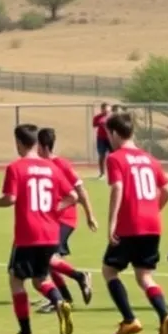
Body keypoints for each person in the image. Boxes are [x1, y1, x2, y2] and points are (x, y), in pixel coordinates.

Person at [0, 124, 78, 334]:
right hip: (50, 232)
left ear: (18, 142)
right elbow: (73, 196)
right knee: (40, 279)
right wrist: (56, 209)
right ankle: (59, 301)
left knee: (16, 280)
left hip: (28, 233)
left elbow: (10, 199)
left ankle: (26, 333)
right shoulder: (52, 168)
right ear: (36, 142)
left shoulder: (16, 167)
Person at [100, 112, 168, 334]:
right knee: (144, 275)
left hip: (129, 224)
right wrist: (154, 210)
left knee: (109, 270)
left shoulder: (115, 158)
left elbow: (117, 189)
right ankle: (165, 315)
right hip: (152, 223)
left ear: (114, 133)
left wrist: (111, 223)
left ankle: (129, 319)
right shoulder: (149, 159)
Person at [35, 127, 96, 313]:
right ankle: (64, 299)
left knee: (49, 259)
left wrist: (89, 215)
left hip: (65, 220)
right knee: (50, 261)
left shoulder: (61, 164)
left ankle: (80, 277)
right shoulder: (39, 166)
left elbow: (80, 191)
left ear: (43, 146)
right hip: (50, 222)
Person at [93, 103, 111, 178]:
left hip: (111, 138)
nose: (105, 110)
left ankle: (112, 172)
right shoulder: (97, 117)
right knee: (101, 155)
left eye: (107, 109)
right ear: (101, 109)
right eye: (103, 109)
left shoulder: (112, 117)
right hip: (101, 138)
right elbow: (94, 125)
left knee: (113, 156)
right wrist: (101, 122)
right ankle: (102, 173)